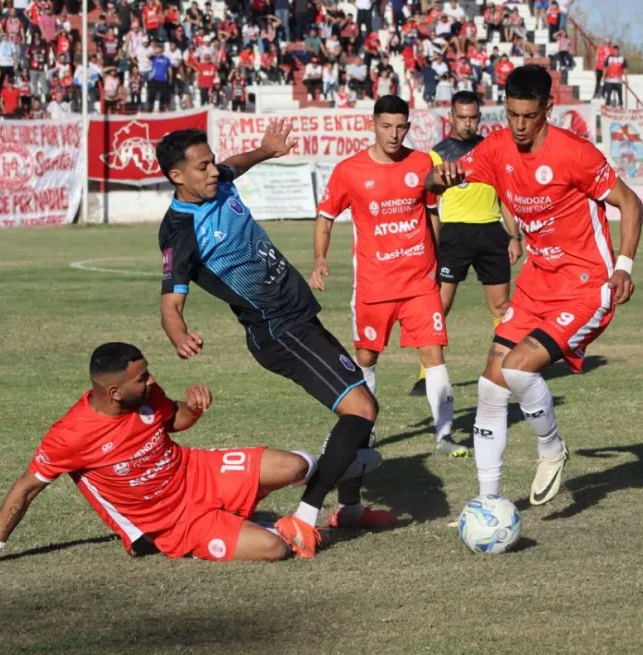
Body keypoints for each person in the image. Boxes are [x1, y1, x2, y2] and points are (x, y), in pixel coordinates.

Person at [156, 125, 392, 560]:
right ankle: (303, 518)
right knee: (360, 408)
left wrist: (266, 150)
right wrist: (180, 335)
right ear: (176, 176)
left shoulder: (218, 181)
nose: (214, 171)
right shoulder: (179, 231)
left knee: (360, 399)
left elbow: (235, 165)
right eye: (202, 166)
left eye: (212, 161)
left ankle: (352, 508)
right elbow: (170, 302)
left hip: (299, 316)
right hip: (279, 331)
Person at [0, 342, 376, 567]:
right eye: (142, 377)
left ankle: (330, 469)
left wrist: (195, 409)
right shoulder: (70, 435)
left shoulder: (144, 394)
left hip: (198, 472)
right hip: (174, 523)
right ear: (114, 392)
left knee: (296, 465)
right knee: (275, 550)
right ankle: (257, 523)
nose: (151, 380)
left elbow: (174, 421)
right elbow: (25, 490)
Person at [428, 65, 643, 505]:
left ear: (548, 108)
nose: (520, 126)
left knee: (517, 367)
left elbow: (630, 201)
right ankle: (488, 503)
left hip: (586, 285)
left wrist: (624, 266)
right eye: (512, 115)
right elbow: (440, 178)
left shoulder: (574, 153)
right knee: (490, 384)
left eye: (530, 116)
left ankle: (551, 448)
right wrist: (441, 177)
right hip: (535, 284)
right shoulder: (497, 148)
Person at [312, 95, 465, 457]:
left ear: (408, 127)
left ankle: (444, 437)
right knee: (365, 359)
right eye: (386, 126)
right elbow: (325, 216)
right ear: (373, 125)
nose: (394, 134)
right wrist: (319, 259)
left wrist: (437, 259)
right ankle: (366, 431)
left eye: (400, 127)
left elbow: (432, 214)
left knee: (434, 354)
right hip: (374, 285)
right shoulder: (350, 170)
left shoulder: (422, 162)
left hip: (418, 283)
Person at [410, 91, 521, 397]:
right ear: (451, 117)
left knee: (501, 305)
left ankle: (506, 368)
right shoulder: (437, 153)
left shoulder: (492, 150)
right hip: (454, 236)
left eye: (473, 117)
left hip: (491, 233)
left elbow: (505, 197)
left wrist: (514, 235)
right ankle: (426, 374)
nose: (468, 123)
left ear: (479, 118)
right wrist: (429, 244)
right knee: (438, 306)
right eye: (462, 117)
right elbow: (429, 204)